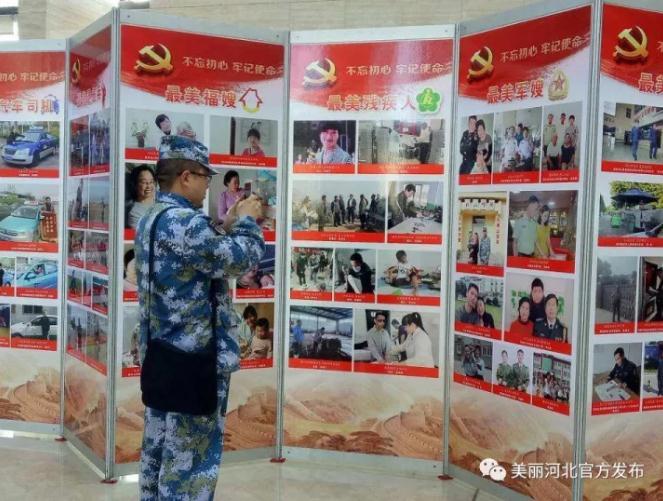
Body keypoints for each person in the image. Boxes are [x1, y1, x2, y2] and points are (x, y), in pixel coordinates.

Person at [136, 134, 264, 500]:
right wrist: (248, 221)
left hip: (163, 356)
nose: (209, 184)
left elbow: (197, 257)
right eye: (205, 176)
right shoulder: (187, 224)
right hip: (195, 361)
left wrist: (225, 222)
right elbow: (240, 259)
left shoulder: (151, 218)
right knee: (190, 464)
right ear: (186, 176)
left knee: (160, 449)